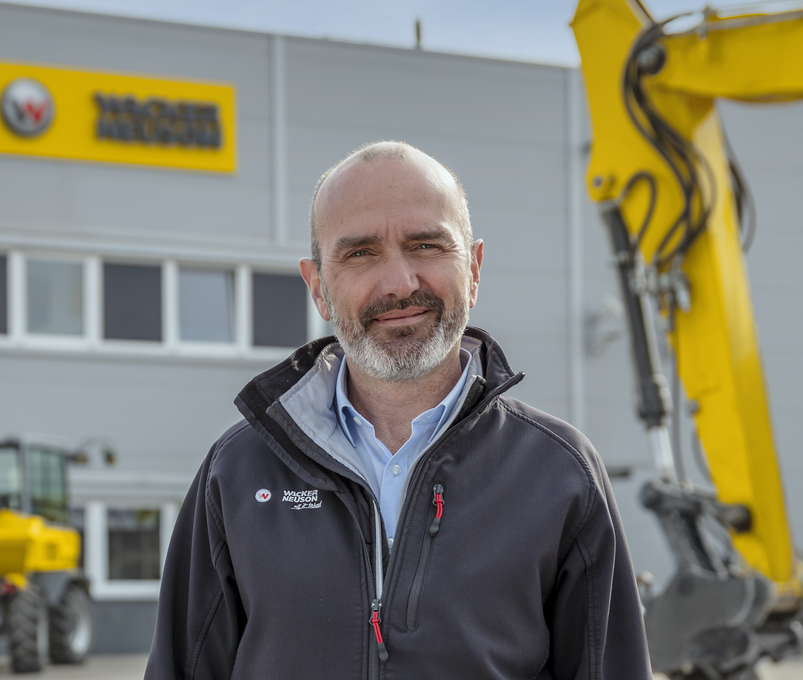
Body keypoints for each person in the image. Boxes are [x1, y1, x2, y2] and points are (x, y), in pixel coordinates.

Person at [145, 141, 649, 679]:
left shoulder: (560, 474)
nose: (399, 284)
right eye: (360, 253)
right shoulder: (237, 472)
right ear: (318, 287)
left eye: (426, 245)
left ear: (474, 269)